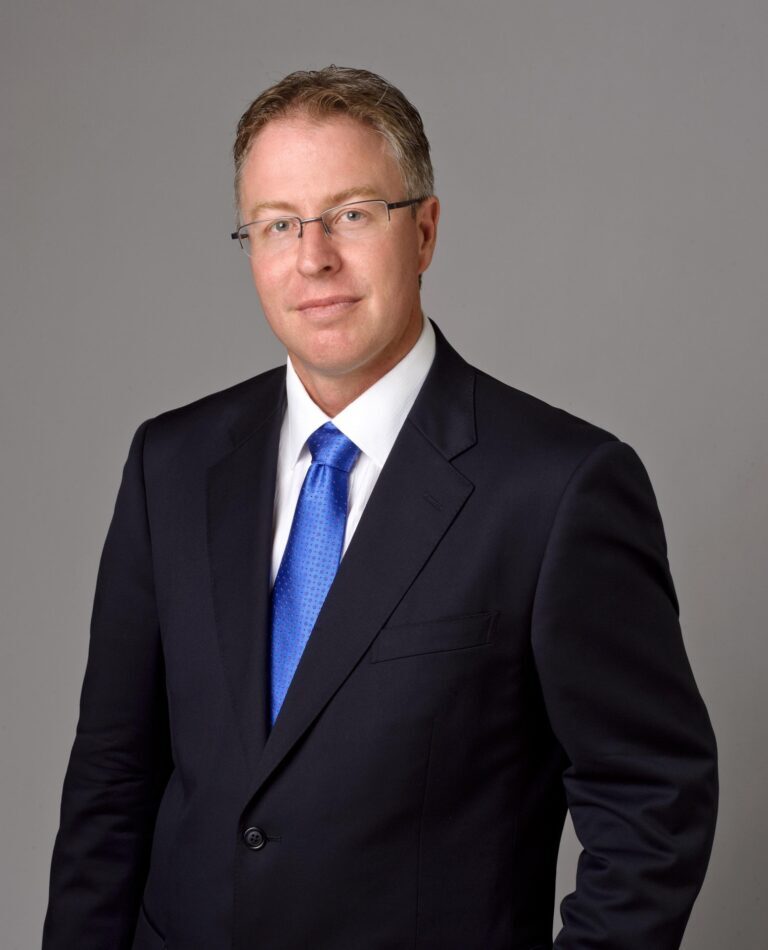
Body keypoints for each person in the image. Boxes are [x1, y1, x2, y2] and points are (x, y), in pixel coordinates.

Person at [43, 65, 718, 950]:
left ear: (425, 230)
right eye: (278, 224)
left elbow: (651, 801)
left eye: (353, 214)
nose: (312, 256)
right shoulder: (169, 464)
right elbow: (112, 778)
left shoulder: (560, 488)